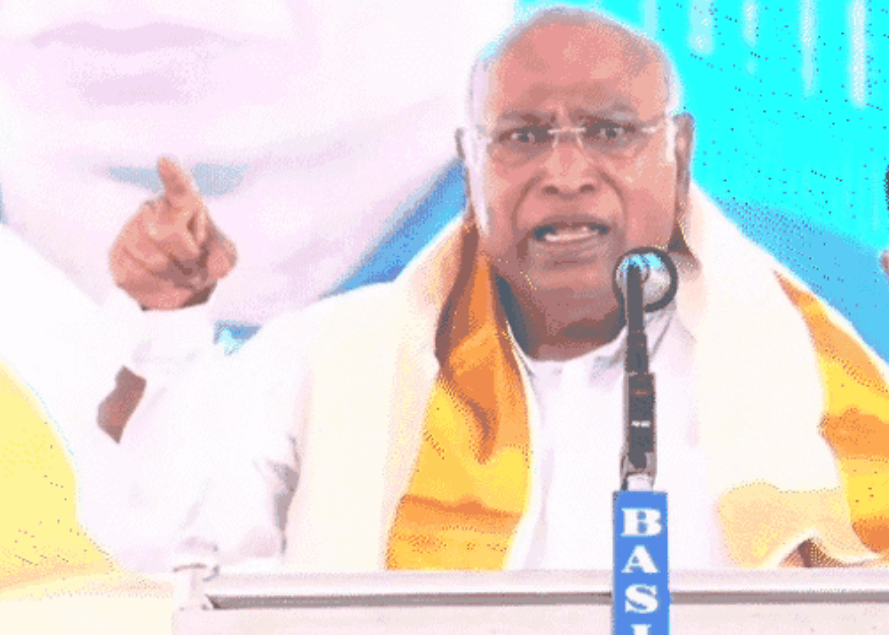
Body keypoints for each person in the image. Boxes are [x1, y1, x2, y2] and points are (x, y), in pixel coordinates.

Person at [98, 7, 889, 572]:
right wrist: (166, 323)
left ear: (678, 152)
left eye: (611, 132)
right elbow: (161, 532)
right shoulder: (334, 359)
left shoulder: (804, 379)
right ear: (469, 160)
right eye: (523, 136)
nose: (566, 173)